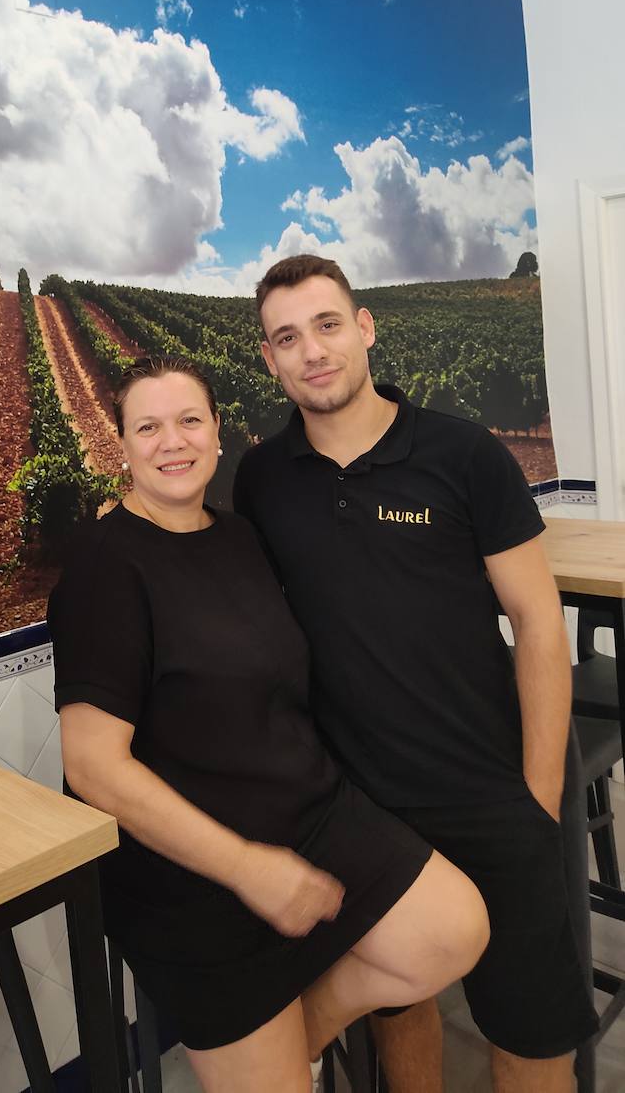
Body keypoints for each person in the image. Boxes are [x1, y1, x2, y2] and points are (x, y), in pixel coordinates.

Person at [48, 355, 489, 1093]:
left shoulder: (237, 536)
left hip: (308, 815)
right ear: (119, 446)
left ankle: (296, 1037)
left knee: (452, 930)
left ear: (217, 431)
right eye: (147, 427)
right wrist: (245, 868)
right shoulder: (103, 565)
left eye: (189, 420)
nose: (172, 441)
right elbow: (91, 766)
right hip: (186, 876)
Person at [233, 254, 599, 1093]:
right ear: (268, 359)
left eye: (327, 325)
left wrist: (537, 802)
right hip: (361, 806)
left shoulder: (462, 455)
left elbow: (539, 625)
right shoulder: (261, 478)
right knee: (402, 1002)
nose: (311, 351)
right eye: (286, 337)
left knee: (531, 1024)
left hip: (488, 783)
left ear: (364, 329)